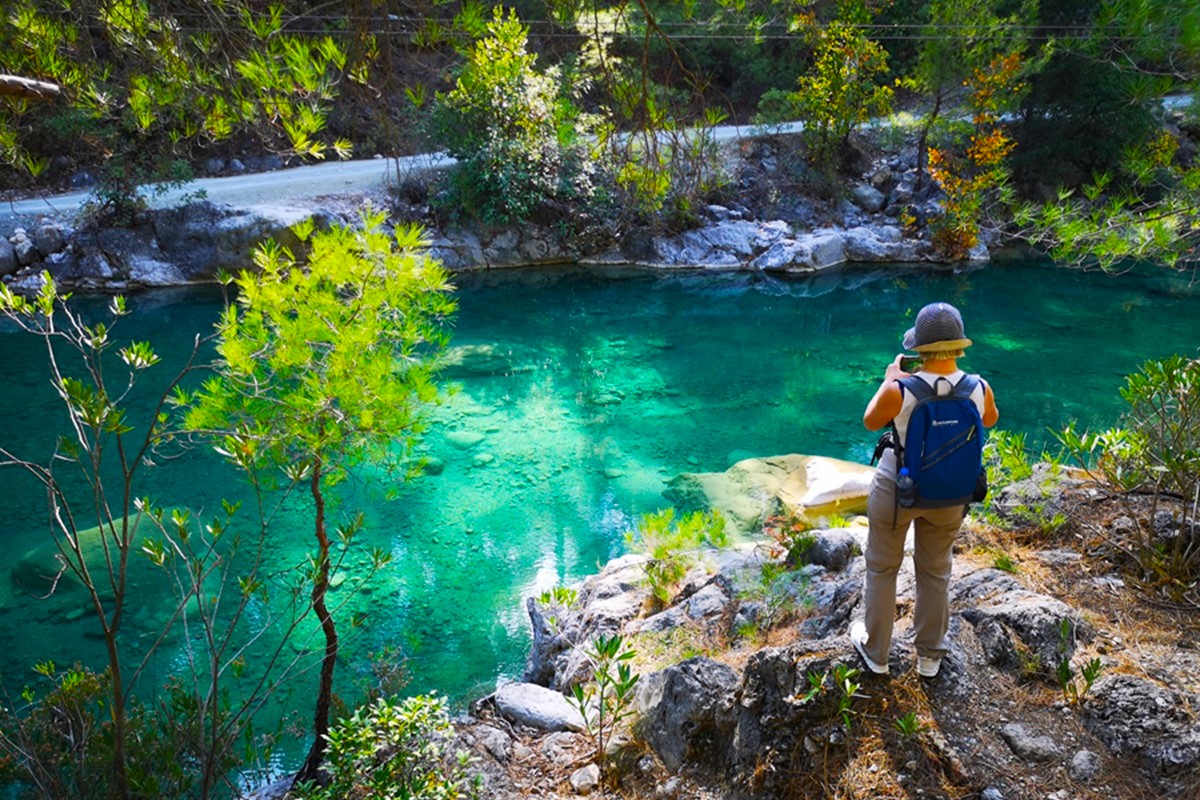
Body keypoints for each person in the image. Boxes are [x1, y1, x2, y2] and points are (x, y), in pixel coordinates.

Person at [850, 302, 999, 678]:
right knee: (935, 571)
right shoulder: (979, 387)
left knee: (883, 568)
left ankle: (877, 653)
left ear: (920, 349)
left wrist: (888, 380)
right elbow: (990, 420)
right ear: (959, 346)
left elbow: (871, 421)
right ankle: (930, 656)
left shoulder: (901, 389)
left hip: (897, 491)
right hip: (950, 493)